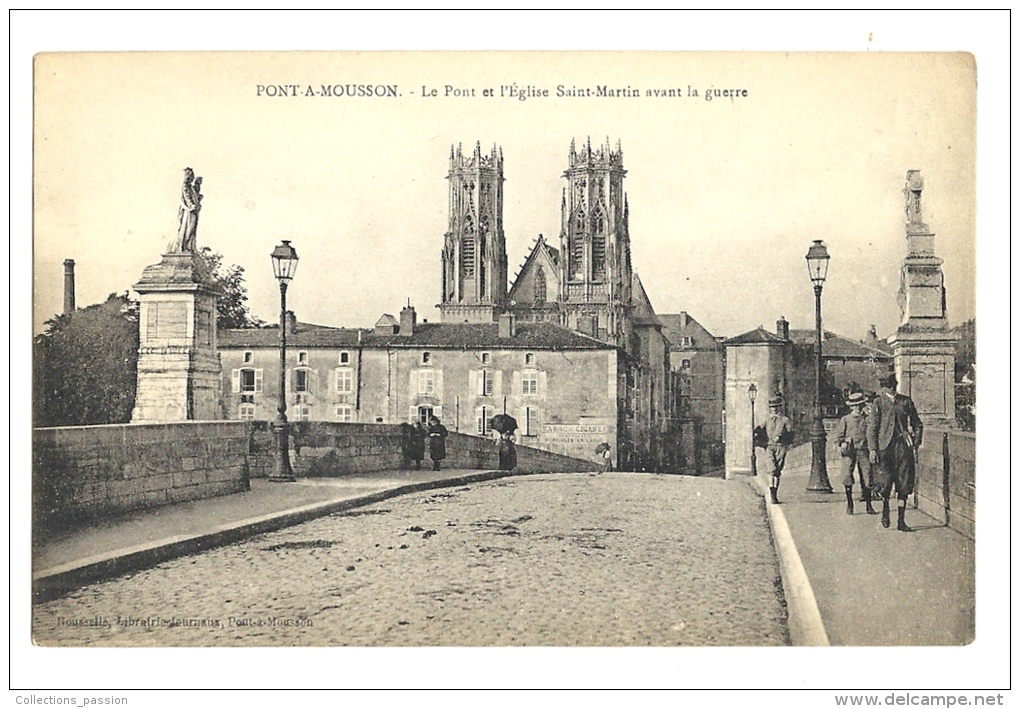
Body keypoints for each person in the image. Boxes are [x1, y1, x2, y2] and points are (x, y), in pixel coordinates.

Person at [867, 373, 923, 531]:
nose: (889, 389)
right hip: (884, 448)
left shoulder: (905, 401)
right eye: (886, 386)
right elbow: (872, 428)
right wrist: (872, 449)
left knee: (904, 483)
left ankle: (901, 520)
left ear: (894, 386)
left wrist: (916, 441)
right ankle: (885, 508)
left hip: (902, 447)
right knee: (885, 482)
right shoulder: (878, 403)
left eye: (891, 386)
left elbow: (917, 423)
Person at [834, 390, 876, 515]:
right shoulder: (845, 419)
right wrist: (841, 445)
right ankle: (850, 504)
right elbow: (838, 438)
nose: (857, 408)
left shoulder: (867, 418)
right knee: (847, 475)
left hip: (864, 451)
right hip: (850, 452)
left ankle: (869, 505)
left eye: (859, 405)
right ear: (851, 407)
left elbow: (873, 433)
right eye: (854, 405)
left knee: (867, 477)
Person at [763, 395, 794, 504]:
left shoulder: (785, 420)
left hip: (781, 447)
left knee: (777, 471)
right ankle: (772, 494)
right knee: (771, 470)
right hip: (770, 447)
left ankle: (775, 493)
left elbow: (790, 434)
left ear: (780, 407)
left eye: (776, 406)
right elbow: (760, 431)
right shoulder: (767, 420)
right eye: (772, 407)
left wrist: (781, 438)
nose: (774, 409)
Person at [174, 167, 202, 253]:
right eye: (190, 176)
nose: (192, 178)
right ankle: (184, 247)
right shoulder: (185, 186)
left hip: (194, 210)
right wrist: (191, 205)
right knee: (188, 228)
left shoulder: (190, 187)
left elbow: (194, 196)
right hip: (189, 210)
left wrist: (198, 195)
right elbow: (187, 197)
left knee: (192, 229)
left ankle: (188, 246)